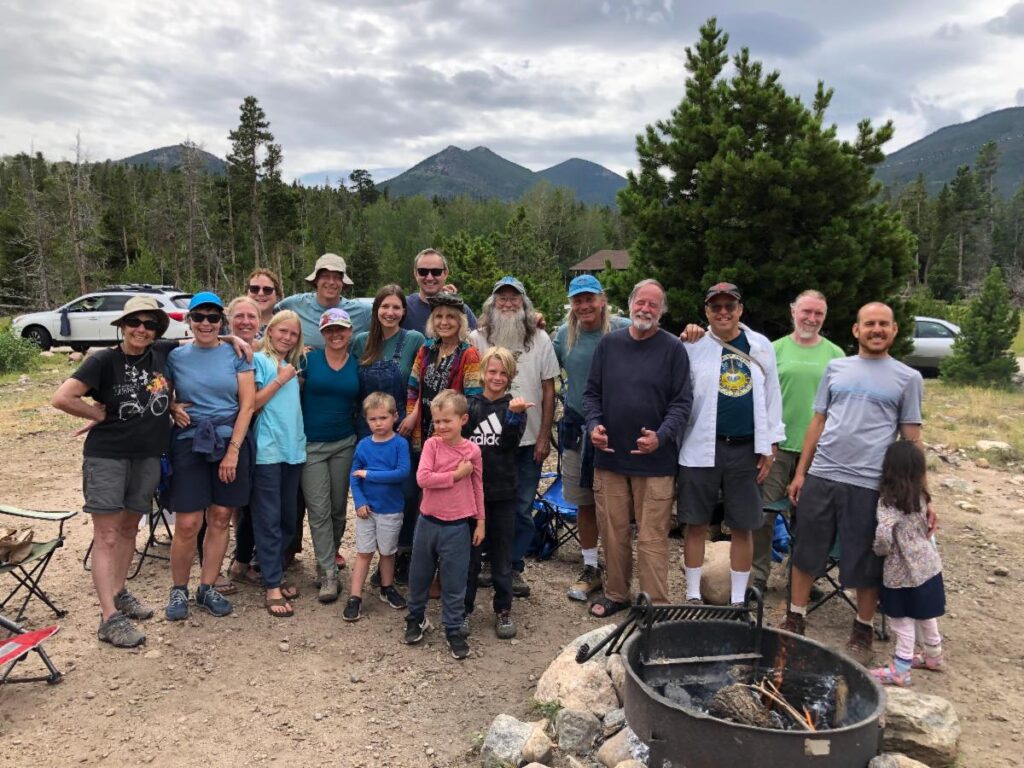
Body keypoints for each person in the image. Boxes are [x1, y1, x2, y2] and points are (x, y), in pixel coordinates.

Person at [784, 303, 926, 660]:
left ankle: (862, 629)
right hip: (823, 475)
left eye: (883, 324)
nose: (876, 329)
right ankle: (794, 618)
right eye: (869, 324)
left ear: (894, 331)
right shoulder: (836, 368)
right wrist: (802, 472)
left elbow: (911, 441)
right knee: (806, 551)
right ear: (856, 330)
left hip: (870, 484)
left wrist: (923, 496)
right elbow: (817, 422)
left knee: (865, 559)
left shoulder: (907, 378)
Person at [52, 296, 174, 647]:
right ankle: (109, 618)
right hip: (108, 456)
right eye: (134, 322)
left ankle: (120, 592)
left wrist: (235, 339)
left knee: (129, 528)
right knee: (106, 535)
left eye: (149, 324)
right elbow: (63, 397)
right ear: (122, 326)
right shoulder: (103, 360)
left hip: (147, 457)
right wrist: (97, 415)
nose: (141, 329)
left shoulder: (162, 354)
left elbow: (205, 336)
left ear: (156, 331)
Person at [583, 279, 692, 617]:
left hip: (656, 460)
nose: (645, 309)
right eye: (640, 302)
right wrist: (593, 426)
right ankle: (616, 593)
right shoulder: (608, 345)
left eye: (653, 305)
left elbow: (682, 403)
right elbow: (591, 394)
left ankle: (654, 603)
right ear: (629, 304)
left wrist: (661, 435)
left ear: (661, 312)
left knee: (652, 537)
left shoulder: (673, 349)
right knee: (613, 533)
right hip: (610, 456)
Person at [677, 282, 785, 607]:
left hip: (745, 449)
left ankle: (738, 598)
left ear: (740, 309)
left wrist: (771, 444)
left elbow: (772, 397)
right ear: (707, 311)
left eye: (729, 306)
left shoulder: (760, 345)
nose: (723, 312)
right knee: (695, 522)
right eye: (716, 307)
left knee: (743, 525)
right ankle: (693, 594)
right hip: (700, 446)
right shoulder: (693, 345)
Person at [164, 292, 255, 621]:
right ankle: (178, 589)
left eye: (213, 317)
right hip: (190, 441)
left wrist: (233, 451)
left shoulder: (236, 354)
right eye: (199, 317)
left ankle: (207, 586)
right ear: (189, 320)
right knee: (188, 522)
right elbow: (161, 390)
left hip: (229, 439)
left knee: (220, 516)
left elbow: (247, 404)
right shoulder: (176, 356)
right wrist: (172, 406)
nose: (206, 323)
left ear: (222, 321)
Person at [470, 276, 558, 598]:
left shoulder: (541, 339)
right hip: (486, 441)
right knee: (485, 504)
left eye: (514, 299)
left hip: (527, 440)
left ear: (525, 304)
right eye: (501, 299)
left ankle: (514, 565)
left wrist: (544, 436)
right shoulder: (477, 337)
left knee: (521, 507)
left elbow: (549, 388)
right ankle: (485, 562)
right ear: (492, 304)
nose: (507, 304)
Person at [553, 274, 630, 602]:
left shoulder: (624, 328)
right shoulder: (563, 336)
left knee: (617, 504)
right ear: (571, 303)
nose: (584, 305)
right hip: (577, 426)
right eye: (577, 300)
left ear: (602, 299)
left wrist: (692, 333)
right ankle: (590, 567)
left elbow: (662, 345)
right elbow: (543, 370)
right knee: (583, 500)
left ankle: (619, 570)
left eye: (589, 298)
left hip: (618, 428)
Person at [352, 285, 425, 585]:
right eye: (385, 307)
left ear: (404, 312)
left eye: (396, 307)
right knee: (372, 492)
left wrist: (414, 414)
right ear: (376, 310)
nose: (390, 313)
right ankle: (375, 556)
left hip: (402, 428)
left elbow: (424, 381)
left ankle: (401, 554)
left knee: (405, 493)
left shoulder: (414, 340)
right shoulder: (360, 342)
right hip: (366, 429)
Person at [403, 390, 484, 660]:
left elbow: (477, 486)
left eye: (447, 421)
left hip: (458, 526)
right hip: (427, 522)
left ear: (463, 419)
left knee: (454, 581)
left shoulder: (472, 451)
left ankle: (453, 628)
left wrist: (480, 522)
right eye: (436, 422)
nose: (441, 427)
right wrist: (455, 475)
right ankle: (415, 618)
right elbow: (423, 479)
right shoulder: (431, 446)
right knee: (419, 575)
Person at [464, 347, 531, 639]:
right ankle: (464, 610)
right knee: (469, 556)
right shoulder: (468, 405)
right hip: (469, 493)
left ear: (510, 376)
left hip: (503, 491)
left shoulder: (514, 407)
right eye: (492, 371)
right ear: (482, 373)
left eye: (503, 373)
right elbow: (458, 443)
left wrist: (515, 418)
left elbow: (508, 445)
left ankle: (503, 609)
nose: (497, 377)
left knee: (502, 556)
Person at [870, 441, 946, 687]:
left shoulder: (888, 501)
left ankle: (901, 668)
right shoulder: (922, 496)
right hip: (928, 566)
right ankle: (934, 655)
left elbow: (883, 533)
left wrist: (880, 551)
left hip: (901, 571)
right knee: (924, 613)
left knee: (901, 620)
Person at [301, 308, 360, 603]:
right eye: (329, 330)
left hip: (344, 443)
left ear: (350, 332)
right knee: (319, 508)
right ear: (322, 333)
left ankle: (330, 554)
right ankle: (327, 573)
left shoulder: (358, 364)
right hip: (311, 445)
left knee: (338, 507)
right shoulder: (307, 359)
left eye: (341, 329)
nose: (335, 334)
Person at [250, 310, 306, 618]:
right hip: (268, 450)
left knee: (288, 518)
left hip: (293, 450)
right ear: (270, 331)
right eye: (282, 331)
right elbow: (253, 403)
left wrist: (288, 375)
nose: (287, 337)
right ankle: (272, 584)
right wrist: (280, 380)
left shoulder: (291, 366)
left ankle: (274, 572)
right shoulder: (260, 361)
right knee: (268, 518)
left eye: (293, 334)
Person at [344, 392, 411, 621]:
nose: (378, 423)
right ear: (366, 420)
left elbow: (401, 473)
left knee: (388, 551)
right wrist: (360, 501)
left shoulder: (400, 444)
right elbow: (354, 476)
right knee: (363, 552)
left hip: (391, 509)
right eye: (373, 419)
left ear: (395, 416)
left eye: (383, 417)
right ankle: (355, 596)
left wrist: (370, 474)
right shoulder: (363, 445)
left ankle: (387, 587)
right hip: (367, 511)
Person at [276, 253, 372, 344]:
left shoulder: (362, 312)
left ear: (343, 282)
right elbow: (266, 317)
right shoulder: (294, 304)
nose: (331, 282)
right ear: (316, 280)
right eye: (325, 276)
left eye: (337, 277)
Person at [401, 248, 478, 334]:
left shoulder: (461, 310)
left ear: (445, 273)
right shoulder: (402, 307)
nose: (429, 277)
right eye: (423, 271)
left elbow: (478, 340)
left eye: (436, 272)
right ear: (415, 274)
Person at [245, 268, 284, 335]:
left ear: (277, 295)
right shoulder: (230, 324)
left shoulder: (287, 327)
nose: (261, 293)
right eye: (254, 289)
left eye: (267, 290)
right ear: (247, 293)